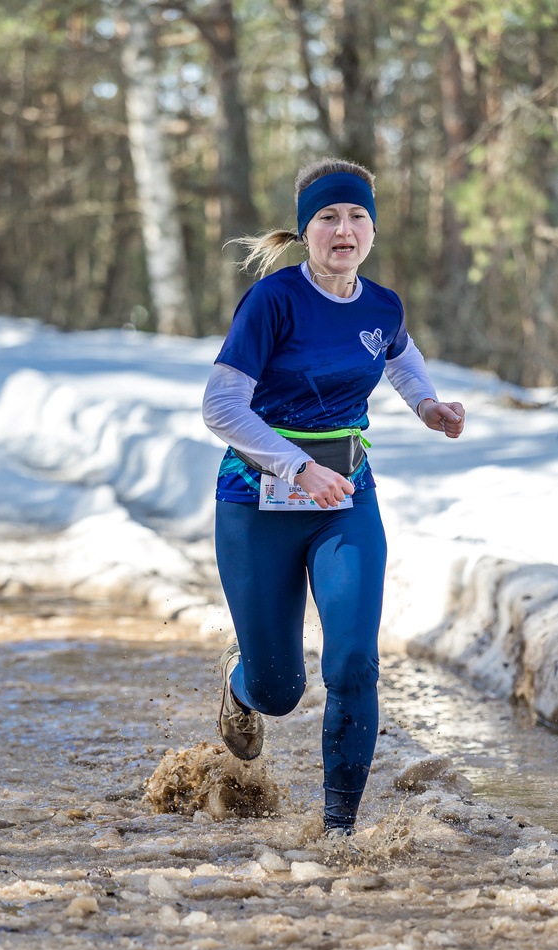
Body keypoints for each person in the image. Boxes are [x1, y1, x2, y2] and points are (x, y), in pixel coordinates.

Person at [202, 157, 465, 835]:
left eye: (355, 216)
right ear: (305, 230)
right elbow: (220, 407)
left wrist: (427, 405)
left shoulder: (382, 304)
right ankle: (241, 685)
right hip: (257, 502)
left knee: (352, 664)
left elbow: (398, 354)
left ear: (371, 229)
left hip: (346, 499)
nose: (342, 229)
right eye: (327, 216)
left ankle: (338, 831)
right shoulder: (274, 301)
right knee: (279, 690)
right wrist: (297, 468)